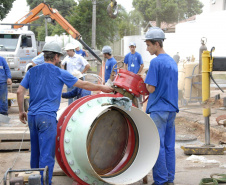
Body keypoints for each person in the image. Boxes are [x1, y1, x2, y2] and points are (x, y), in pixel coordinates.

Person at [17, 41, 113, 185]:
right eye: (59, 57)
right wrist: (102, 87)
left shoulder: (32, 71)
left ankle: (34, 181)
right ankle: (44, 183)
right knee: (47, 154)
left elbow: (19, 91)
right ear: (55, 56)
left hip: (32, 116)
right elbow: (83, 84)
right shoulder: (59, 72)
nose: (60, 59)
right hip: (47, 118)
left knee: (35, 152)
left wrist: (21, 111)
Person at [143, 27, 179, 185]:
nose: (147, 48)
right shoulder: (172, 61)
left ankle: (161, 181)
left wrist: (144, 79)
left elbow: (150, 88)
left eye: (149, 45)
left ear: (157, 44)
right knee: (169, 146)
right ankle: (170, 179)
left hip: (159, 109)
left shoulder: (156, 62)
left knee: (158, 146)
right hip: (171, 109)